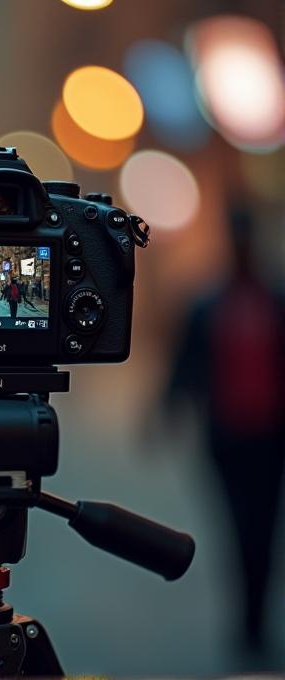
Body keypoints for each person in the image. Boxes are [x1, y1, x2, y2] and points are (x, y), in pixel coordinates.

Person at [165, 209, 285, 660]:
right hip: (226, 440)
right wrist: (166, 409)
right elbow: (185, 363)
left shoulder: (275, 300)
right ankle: (246, 626)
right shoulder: (208, 304)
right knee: (239, 531)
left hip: (272, 439)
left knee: (265, 535)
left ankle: (256, 624)